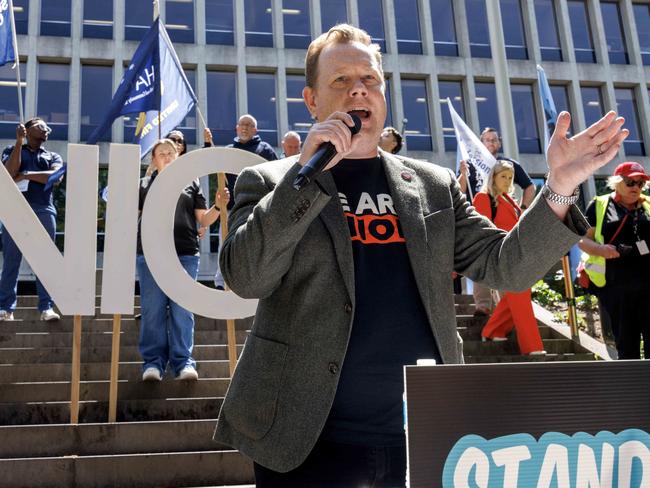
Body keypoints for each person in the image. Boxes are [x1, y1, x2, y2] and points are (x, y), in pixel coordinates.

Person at [213, 24, 626, 487]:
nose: (358, 90)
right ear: (312, 101)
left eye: (370, 80)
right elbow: (245, 278)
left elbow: (505, 265)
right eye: (341, 81)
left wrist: (562, 186)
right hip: (302, 437)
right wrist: (301, 184)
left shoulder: (432, 185)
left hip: (425, 435)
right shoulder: (271, 181)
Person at [137, 138, 228, 381]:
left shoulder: (191, 184)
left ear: (179, 157)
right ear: (153, 160)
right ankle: (152, 363)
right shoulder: (143, 185)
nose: (167, 156)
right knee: (152, 310)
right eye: (162, 153)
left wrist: (218, 207)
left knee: (182, 311)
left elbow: (204, 219)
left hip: (185, 253)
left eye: (171, 152)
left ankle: (183, 363)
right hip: (150, 254)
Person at [458, 128, 536, 316]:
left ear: (499, 143)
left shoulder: (508, 164)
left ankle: (505, 307)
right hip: (477, 218)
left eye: (494, 140)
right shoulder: (471, 164)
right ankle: (483, 306)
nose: (491, 143)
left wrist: (523, 209)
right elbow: (459, 189)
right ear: (481, 142)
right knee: (480, 261)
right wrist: (462, 173)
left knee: (503, 262)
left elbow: (530, 186)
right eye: (487, 140)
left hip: (503, 219)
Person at [578, 161, 650, 360]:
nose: (636, 187)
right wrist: (600, 250)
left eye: (640, 183)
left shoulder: (647, 205)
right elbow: (583, 240)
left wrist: (637, 249)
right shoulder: (600, 205)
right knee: (626, 345)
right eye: (630, 182)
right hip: (615, 287)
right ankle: (631, 389)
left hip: (648, 285)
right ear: (617, 182)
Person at [473, 160, 545, 355]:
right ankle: (533, 347)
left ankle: (493, 330)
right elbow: (482, 231)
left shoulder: (510, 200)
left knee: (516, 296)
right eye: (503, 176)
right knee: (519, 295)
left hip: (516, 254)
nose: (507, 180)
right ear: (493, 177)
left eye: (510, 177)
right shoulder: (483, 198)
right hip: (499, 256)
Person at [0, 118, 63, 322]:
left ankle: (47, 307)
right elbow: (8, 174)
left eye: (47, 128)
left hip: (44, 209)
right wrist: (19, 143)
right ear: (27, 130)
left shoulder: (53, 156)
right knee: (11, 260)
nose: (47, 129)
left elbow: (54, 177)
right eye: (41, 125)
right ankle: (5, 308)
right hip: (15, 209)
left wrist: (26, 174)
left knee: (45, 259)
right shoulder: (12, 149)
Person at [213, 115, 279, 290]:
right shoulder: (229, 150)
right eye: (242, 125)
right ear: (236, 128)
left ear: (255, 130)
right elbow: (216, 170)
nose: (244, 128)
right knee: (226, 244)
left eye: (249, 125)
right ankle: (222, 285)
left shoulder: (265, 150)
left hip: (256, 208)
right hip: (231, 209)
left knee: (254, 247)